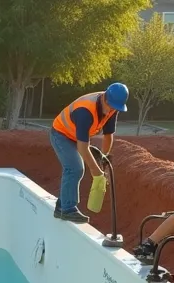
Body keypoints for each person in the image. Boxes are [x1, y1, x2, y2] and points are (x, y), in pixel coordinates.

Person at [49, 83, 129, 223]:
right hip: (61, 134)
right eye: (111, 106)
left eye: (115, 108)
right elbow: (82, 147)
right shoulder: (85, 111)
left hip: (75, 136)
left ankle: (61, 206)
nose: (112, 110)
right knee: (75, 169)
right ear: (105, 98)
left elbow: (108, 135)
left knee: (75, 168)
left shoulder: (112, 107)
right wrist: (97, 173)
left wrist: (103, 160)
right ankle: (68, 209)